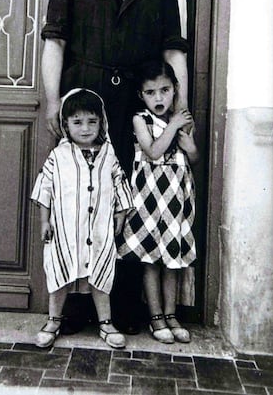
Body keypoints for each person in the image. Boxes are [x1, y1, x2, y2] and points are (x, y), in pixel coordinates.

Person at [40, 0, 190, 332]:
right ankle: (70, 311)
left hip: (137, 111)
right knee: (77, 201)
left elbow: (175, 54)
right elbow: (55, 43)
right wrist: (53, 101)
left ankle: (122, 311)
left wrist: (180, 116)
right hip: (84, 105)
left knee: (127, 201)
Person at [31, 89, 134, 349]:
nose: (85, 128)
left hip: (99, 228)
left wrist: (120, 214)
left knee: (100, 274)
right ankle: (53, 321)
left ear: (102, 122)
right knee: (59, 274)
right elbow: (45, 188)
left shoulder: (108, 154)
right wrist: (45, 222)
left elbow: (120, 183)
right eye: (77, 122)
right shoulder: (59, 155)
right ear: (65, 125)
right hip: (65, 230)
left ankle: (106, 324)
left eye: (92, 121)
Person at [117, 60, 199, 344]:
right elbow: (153, 151)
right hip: (150, 198)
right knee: (151, 259)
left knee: (173, 260)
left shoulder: (184, 120)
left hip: (176, 197)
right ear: (141, 95)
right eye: (151, 92)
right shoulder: (141, 119)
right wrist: (174, 126)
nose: (159, 98)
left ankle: (171, 314)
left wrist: (190, 147)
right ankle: (155, 317)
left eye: (165, 90)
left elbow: (193, 159)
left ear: (175, 90)